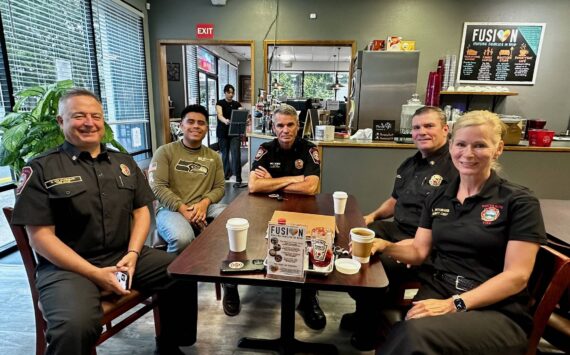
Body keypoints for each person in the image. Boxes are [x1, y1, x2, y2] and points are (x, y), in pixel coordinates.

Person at [11, 88, 196, 355]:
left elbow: (142, 211)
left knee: (183, 272)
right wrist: (95, 274)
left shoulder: (123, 162)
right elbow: (40, 237)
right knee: (73, 327)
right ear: (61, 122)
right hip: (67, 268)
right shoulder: (41, 168)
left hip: (124, 255)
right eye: (79, 116)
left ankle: (169, 344)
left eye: (95, 116)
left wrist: (133, 253)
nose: (89, 122)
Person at [375, 110, 547, 354]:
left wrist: (454, 304)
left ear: (498, 149)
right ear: (452, 146)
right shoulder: (439, 196)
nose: (468, 154)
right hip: (439, 288)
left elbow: (516, 276)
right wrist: (383, 245)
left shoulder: (519, 201)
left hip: (496, 309)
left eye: (479, 145)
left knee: (412, 336)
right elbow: (418, 251)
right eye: (461, 144)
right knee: (406, 333)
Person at [343, 106, 458, 351]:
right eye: (417, 127)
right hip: (397, 229)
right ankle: (363, 309)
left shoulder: (455, 167)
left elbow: (454, 221)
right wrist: (371, 216)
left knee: (376, 267)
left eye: (429, 126)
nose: (422, 132)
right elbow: (395, 201)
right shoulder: (410, 164)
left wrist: (417, 243)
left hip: (427, 244)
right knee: (351, 243)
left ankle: (369, 329)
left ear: (446, 129)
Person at [244, 104, 325, 329]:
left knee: (310, 245)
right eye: (280, 125)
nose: (285, 130)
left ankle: (308, 299)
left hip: (301, 207)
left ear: (298, 126)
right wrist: (296, 179)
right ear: (273, 126)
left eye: (290, 125)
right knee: (254, 240)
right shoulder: (265, 149)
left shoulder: (310, 149)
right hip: (266, 208)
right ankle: (235, 284)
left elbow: (312, 187)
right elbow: (253, 185)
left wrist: (272, 183)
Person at [149, 104, 226, 254]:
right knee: (182, 238)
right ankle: (173, 275)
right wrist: (183, 209)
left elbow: (220, 187)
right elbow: (157, 186)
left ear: (206, 128)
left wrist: (204, 204)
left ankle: (212, 267)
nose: (196, 126)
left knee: (234, 222)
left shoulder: (214, 157)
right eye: (190, 122)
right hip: (171, 210)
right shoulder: (165, 152)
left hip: (204, 207)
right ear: (181, 125)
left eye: (201, 123)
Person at [216, 84, 243, 183]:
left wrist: (244, 117)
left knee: (236, 154)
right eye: (229, 92)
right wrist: (225, 121)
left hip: (234, 132)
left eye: (232, 92)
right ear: (225, 92)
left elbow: (241, 113)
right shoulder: (220, 103)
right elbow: (219, 115)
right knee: (225, 154)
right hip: (223, 131)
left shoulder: (236, 104)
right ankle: (226, 174)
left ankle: (238, 176)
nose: (231, 94)